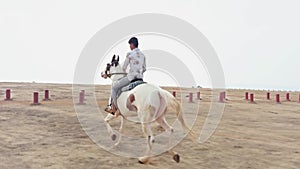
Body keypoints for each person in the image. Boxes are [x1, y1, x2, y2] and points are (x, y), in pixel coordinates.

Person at [105, 37, 146, 114]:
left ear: (132, 44)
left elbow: (124, 68)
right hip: (140, 78)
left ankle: (114, 108)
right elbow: (144, 68)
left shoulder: (130, 54)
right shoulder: (143, 55)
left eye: (130, 45)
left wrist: (129, 72)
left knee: (114, 88)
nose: (130, 47)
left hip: (131, 78)